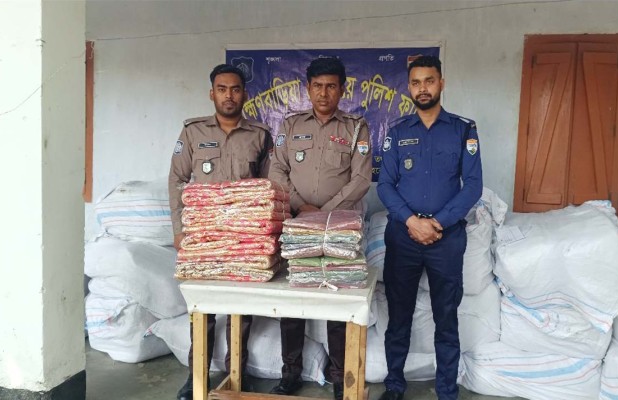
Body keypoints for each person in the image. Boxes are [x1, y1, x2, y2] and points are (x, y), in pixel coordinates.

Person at [376, 55, 483, 400]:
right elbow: (385, 185)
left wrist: (436, 223)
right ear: (409, 87)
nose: (423, 88)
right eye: (416, 82)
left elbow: (473, 185)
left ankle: (446, 391)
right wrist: (412, 221)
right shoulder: (397, 132)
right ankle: (394, 385)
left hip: (446, 238)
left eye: (429, 81)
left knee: (446, 317)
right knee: (399, 316)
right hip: (403, 236)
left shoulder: (463, 130)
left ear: (441, 83)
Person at [268, 57, 372, 400]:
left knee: (336, 297)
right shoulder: (290, 125)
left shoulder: (356, 128)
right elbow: (277, 170)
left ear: (342, 89)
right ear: (308, 89)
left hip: (339, 228)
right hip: (297, 225)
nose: (323, 93)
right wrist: (302, 207)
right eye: (317, 86)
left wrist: (324, 214)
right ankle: (291, 373)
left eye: (331, 86)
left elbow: (361, 178)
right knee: (293, 297)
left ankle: (340, 376)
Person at [169, 64, 273, 400]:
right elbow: (177, 180)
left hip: (244, 238)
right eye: (222, 89)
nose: (229, 96)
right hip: (204, 236)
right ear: (211, 93)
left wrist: (264, 236)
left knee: (241, 310)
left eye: (235, 89)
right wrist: (179, 229)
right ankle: (195, 376)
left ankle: (237, 374)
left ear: (245, 94)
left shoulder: (259, 134)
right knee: (202, 309)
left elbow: (269, 186)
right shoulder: (192, 132)